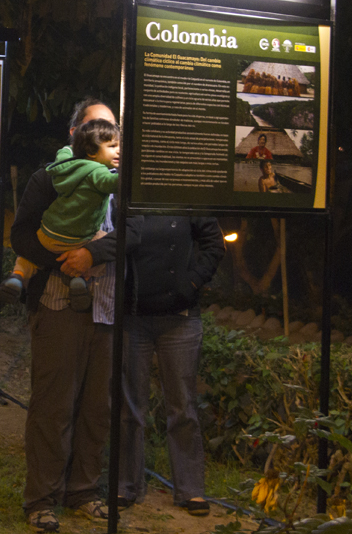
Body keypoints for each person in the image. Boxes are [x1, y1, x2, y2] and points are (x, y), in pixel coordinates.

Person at [14, 97, 135, 532]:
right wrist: (64, 257)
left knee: (97, 407)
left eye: (115, 129)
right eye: (100, 128)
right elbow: (22, 234)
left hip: (106, 306)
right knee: (54, 404)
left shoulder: (124, 186)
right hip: (57, 303)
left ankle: (83, 489)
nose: (112, 138)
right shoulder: (48, 180)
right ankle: (41, 498)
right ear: (78, 136)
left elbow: (134, 234)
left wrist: (93, 253)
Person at [117, 216, 225, 517]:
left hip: (180, 316)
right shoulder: (128, 189)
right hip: (132, 314)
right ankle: (126, 484)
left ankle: (191, 490)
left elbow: (215, 244)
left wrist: (191, 282)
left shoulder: (184, 189)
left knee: (182, 406)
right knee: (129, 405)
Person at [0, 119, 120, 309]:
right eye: (113, 146)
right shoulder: (98, 172)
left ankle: (18, 276)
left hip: (48, 232)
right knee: (102, 241)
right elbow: (112, 183)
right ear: (91, 150)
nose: (119, 150)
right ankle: (78, 280)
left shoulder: (65, 166)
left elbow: (63, 154)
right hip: (79, 238)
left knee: (27, 259)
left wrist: (69, 149)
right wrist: (131, 173)